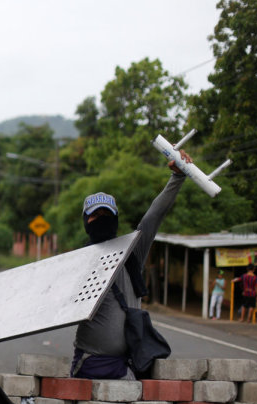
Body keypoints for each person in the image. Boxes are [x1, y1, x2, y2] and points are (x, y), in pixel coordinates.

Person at [71, 150, 191, 382]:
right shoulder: (78, 261)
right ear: (87, 222)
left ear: (115, 219)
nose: (102, 219)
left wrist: (177, 177)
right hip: (91, 362)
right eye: (97, 216)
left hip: (129, 361)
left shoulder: (132, 252)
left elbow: (153, 217)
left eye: (107, 214)